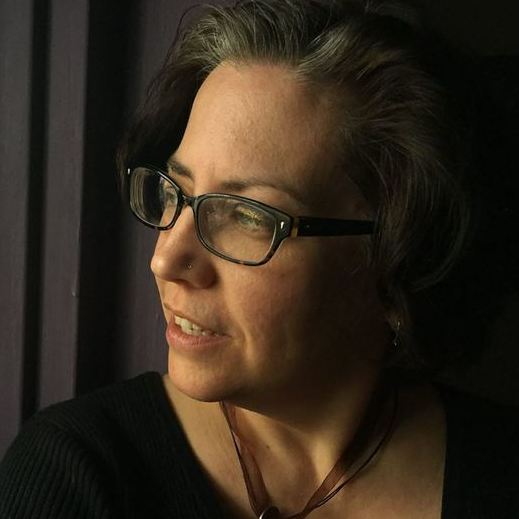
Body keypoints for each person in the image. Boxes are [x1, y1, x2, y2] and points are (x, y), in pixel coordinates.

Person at [0, 0, 517, 518]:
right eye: (176, 191)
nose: (166, 260)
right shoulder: (72, 474)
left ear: (401, 255)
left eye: (246, 215)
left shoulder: (499, 474)